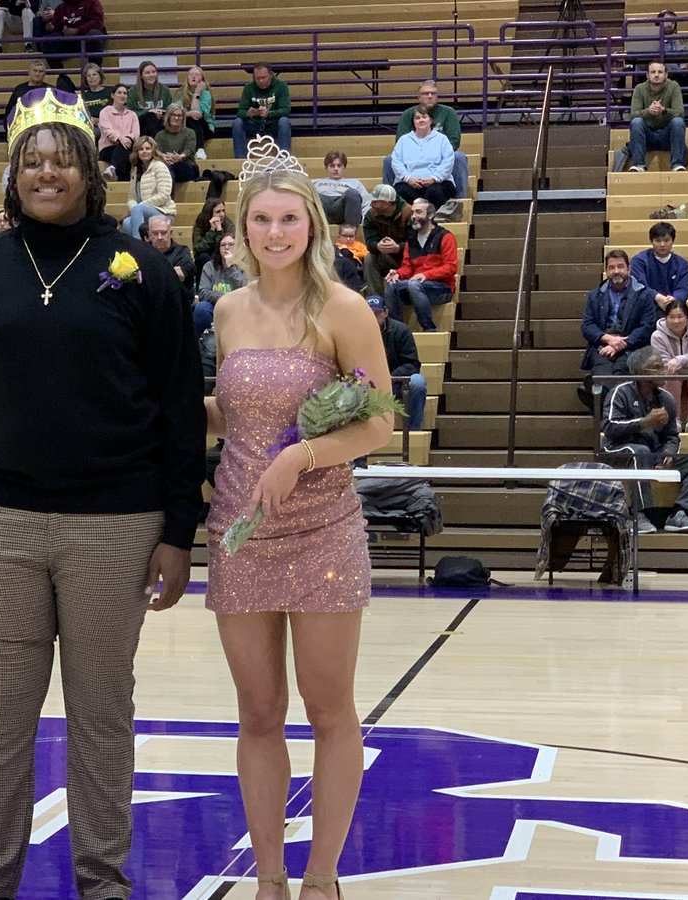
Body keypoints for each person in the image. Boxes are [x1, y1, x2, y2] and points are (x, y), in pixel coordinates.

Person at [0, 86, 203, 900]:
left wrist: (179, 530)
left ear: (89, 172)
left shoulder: (143, 271)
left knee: (102, 710)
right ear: (14, 175)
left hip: (115, 521)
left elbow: (180, 406)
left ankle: (102, 882)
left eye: (63, 160)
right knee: (1, 710)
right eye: (33, 161)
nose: (48, 173)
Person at [203, 141, 392, 900]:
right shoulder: (226, 311)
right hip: (241, 531)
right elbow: (236, 415)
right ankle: (270, 880)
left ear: (310, 224)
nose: (275, 233)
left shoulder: (343, 309)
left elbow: (378, 423)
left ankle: (321, 878)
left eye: (288, 219)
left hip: (323, 531)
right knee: (257, 713)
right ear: (241, 228)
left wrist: (303, 455)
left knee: (328, 709)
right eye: (261, 220)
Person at [601, 346, 688, 534]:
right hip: (618, 449)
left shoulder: (667, 399)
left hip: (651, 452)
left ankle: (680, 513)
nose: (664, 370)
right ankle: (639, 514)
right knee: (640, 452)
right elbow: (609, 427)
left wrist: (669, 453)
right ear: (640, 372)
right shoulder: (620, 392)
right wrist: (645, 422)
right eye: (657, 367)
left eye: (663, 365)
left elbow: (672, 436)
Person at [578, 249, 662, 410]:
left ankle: (598, 398)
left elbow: (647, 326)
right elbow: (587, 326)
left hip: (633, 347)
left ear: (628, 269)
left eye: (620, 266)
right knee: (602, 370)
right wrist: (608, 339)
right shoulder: (594, 295)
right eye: (611, 267)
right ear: (606, 270)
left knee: (620, 371)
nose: (616, 271)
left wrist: (620, 344)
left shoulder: (644, 295)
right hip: (602, 346)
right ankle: (609, 401)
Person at [383, 80, 469, 199]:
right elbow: (400, 143)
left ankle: (460, 199)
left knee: (458, 157)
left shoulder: (448, 113)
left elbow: (454, 140)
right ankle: (388, 199)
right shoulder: (408, 114)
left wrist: (433, 153)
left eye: (433, 93)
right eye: (425, 93)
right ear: (418, 97)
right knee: (390, 159)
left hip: (440, 155)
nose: (429, 96)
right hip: (412, 156)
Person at [383, 199, 457, 332]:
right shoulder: (411, 240)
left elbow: (451, 267)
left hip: (442, 288)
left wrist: (425, 275)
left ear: (430, 215)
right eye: (412, 213)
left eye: (418, 212)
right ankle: (396, 331)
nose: (414, 216)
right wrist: (398, 273)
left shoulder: (445, 236)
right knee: (392, 285)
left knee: (414, 285)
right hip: (417, 286)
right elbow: (407, 267)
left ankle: (429, 329)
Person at [649, 298, 688, 433]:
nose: (676, 321)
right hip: (671, 376)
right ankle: (674, 420)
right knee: (670, 375)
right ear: (665, 318)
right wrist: (687, 364)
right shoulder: (657, 336)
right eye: (672, 317)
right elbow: (665, 365)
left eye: (680, 316)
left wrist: (680, 360)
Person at [366, 294, 426, 431]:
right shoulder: (356, 334)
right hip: (369, 384)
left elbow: (412, 364)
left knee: (417, 382)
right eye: (369, 314)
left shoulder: (402, 330)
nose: (373, 318)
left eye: (377, 314)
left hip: (396, 382)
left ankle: (413, 431)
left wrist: (390, 376)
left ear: (386, 313)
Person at [389, 105, 456, 208]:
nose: (421, 120)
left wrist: (434, 178)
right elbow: (396, 162)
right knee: (401, 191)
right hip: (409, 183)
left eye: (424, 117)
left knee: (434, 191)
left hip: (438, 183)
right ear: (413, 122)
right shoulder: (403, 140)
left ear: (430, 120)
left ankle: (439, 217)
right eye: (417, 118)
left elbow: (448, 162)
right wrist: (408, 178)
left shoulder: (442, 139)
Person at [629, 61, 688, 172]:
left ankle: (677, 164)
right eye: (653, 72)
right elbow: (633, 115)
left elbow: (680, 113)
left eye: (660, 72)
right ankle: (639, 165)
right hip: (647, 137)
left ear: (666, 75)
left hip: (667, 136)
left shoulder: (673, 86)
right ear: (647, 75)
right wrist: (649, 111)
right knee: (636, 122)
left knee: (678, 122)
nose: (656, 75)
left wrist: (663, 110)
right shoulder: (639, 88)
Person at [231, 62, 291, 159]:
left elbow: (286, 110)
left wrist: (269, 113)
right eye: (257, 78)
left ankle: (284, 157)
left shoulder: (281, 86)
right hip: (254, 124)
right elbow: (240, 112)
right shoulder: (248, 88)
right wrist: (248, 113)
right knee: (238, 123)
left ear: (270, 75)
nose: (261, 81)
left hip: (273, 124)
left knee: (284, 121)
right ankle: (240, 158)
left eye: (264, 77)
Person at [361, 183, 411, 296]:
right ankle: (374, 297)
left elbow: (416, 244)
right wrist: (377, 245)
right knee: (369, 258)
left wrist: (398, 248)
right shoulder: (371, 215)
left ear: (385, 203)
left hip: (407, 258)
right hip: (386, 257)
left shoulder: (408, 213)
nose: (371, 204)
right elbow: (369, 242)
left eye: (375, 201)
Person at [122, 136, 175, 239]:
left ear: (153, 150)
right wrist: (134, 208)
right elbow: (131, 197)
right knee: (127, 223)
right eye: (141, 149)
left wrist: (139, 207)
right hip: (140, 212)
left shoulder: (159, 166)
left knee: (138, 209)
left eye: (147, 148)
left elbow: (164, 195)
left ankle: (139, 247)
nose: (144, 151)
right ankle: (133, 247)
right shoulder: (135, 170)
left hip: (163, 211)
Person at [629, 221, 688, 308]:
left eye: (666, 240)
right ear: (651, 241)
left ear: (673, 241)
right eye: (658, 241)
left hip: (673, 307)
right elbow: (639, 286)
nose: (662, 244)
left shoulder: (682, 265)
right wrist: (656, 296)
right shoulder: (639, 261)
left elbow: (683, 288)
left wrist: (674, 299)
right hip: (645, 308)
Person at [2, 59, 77, 130]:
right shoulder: (19, 90)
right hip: (24, 127)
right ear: (29, 72)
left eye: (41, 71)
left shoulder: (50, 91)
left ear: (44, 74)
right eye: (35, 71)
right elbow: (10, 112)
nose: (37, 74)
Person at [196, 232, 245, 336]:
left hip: (238, 306)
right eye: (223, 245)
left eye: (231, 244)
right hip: (215, 305)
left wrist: (231, 267)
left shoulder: (244, 265)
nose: (226, 247)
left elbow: (245, 288)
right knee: (201, 308)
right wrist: (226, 297)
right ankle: (199, 341)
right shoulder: (209, 266)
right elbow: (203, 293)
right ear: (218, 248)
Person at [314, 151, 371, 227]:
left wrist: (365, 223)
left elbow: (366, 203)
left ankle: (350, 230)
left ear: (344, 167)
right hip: (322, 209)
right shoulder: (315, 183)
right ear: (326, 168)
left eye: (339, 166)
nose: (336, 169)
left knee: (352, 194)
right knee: (311, 194)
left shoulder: (355, 183)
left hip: (344, 210)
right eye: (332, 166)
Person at [147, 214, 195, 304]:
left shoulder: (182, 251)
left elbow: (181, 274)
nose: (160, 237)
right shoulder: (143, 252)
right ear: (149, 235)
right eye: (155, 233)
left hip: (176, 303)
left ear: (171, 233)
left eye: (163, 232)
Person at [45, 0, 106, 69]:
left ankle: (95, 71)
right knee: (48, 41)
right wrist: (51, 27)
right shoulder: (61, 8)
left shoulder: (92, 2)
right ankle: (59, 73)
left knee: (94, 35)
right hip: (71, 41)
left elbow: (98, 22)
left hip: (88, 40)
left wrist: (77, 30)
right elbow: (56, 26)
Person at [98, 83, 138, 182]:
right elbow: (107, 130)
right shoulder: (105, 112)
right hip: (108, 148)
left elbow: (136, 134)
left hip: (127, 147)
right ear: (113, 95)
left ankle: (112, 168)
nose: (122, 95)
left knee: (125, 151)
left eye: (125, 93)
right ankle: (124, 184)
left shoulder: (132, 115)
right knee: (124, 152)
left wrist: (126, 139)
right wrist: (120, 138)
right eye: (119, 92)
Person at [173, 65, 214, 160]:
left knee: (194, 119)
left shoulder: (206, 94)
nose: (194, 77)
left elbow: (197, 114)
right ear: (187, 78)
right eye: (191, 74)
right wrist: (188, 114)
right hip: (184, 124)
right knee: (188, 118)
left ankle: (200, 149)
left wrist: (197, 94)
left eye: (197, 75)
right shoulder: (180, 93)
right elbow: (174, 111)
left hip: (204, 127)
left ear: (202, 80)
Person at [128, 60, 173, 137]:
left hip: (161, 124)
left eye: (153, 72)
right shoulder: (133, 91)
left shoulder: (164, 90)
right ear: (141, 76)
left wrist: (161, 113)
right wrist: (149, 111)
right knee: (150, 117)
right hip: (141, 125)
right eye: (147, 73)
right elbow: (131, 113)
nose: (151, 75)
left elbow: (170, 109)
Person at [155, 106, 198, 184]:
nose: (176, 118)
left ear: (183, 118)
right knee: (165, 168)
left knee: (176, 166)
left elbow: (189, 149)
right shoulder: (160, 135)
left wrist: (180, 157)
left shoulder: (190, 133)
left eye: (179, 115)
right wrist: (164, 156)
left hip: (186, 166)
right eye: (173, 115)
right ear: (168, 117)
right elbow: (158, 151)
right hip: (166, 164)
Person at [192, 197, 235, 271]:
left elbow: (225, 247)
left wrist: (219, 230)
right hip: (206, 257)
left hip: (224, 255)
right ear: (209, 213)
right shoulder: (200, 224)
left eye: (223, 211)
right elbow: (198, 248)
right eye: (218, 212)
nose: (222, 214)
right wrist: (211, 231)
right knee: (202, 257)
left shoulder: (229, 224)